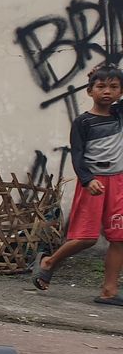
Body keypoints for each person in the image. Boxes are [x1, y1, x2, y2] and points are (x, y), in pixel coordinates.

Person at [34, 63, 123, 305]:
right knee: (87, 238)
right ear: (89, 91)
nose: (107, 91)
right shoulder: (83, 122)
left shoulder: (119, 114)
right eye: (101, 86)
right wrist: (87, 180)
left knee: (119, 237)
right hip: (94, 183)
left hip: (118, 182)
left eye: (114, 87)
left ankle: (109, 290)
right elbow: (77, 156)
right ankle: (49, 262)